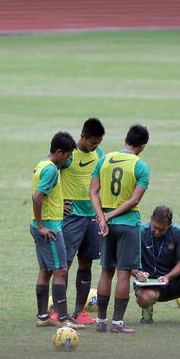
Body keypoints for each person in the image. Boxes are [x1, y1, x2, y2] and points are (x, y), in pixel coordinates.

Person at [89, 124, 150, 333]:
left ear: (125, 138)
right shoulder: (140, 166)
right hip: (128, 224)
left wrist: (102, 218)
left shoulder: (104, 159)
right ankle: (117, 323)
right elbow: (134, 200)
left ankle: (100, 320)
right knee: (123, 274)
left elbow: (93, 191)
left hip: (105, 225)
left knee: (106, 272)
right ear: (143, 146)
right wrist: (111, 215)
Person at [31, 132, 84, 329]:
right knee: (60, 270)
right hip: (50, 228)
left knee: (45, 270)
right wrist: (41, 226)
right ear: (59, 152)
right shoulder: (52, 170)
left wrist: (57, 205)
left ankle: (43, 316)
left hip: (45, 223)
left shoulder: (41, 165)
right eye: (68, 155)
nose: (69, 159)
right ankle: (63, 319)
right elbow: (37, 198)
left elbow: (45, 196)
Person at [59, 118, 105, 325]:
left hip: (93, 217)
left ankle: (79, 312)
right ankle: (58, 311)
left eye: (98, 142)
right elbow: (46, 175)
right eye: (93, 142)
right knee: (64, 265)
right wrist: (58, 202)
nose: (96, 146)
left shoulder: (100, 154)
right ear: (83, 136)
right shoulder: (68, 154)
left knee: (86, 263)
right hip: (72, 216)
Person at [133, 205, 180, 325]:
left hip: (172, 282)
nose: (157, 232)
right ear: (151, 219)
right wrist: (138, 274)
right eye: (155, 227)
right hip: (148, 285)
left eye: (162, 230)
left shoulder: (176, 232)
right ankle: (147, 310)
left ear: (169, 225)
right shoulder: (140, 232)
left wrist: (168, 277)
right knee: (145, 298)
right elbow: (128, 264)